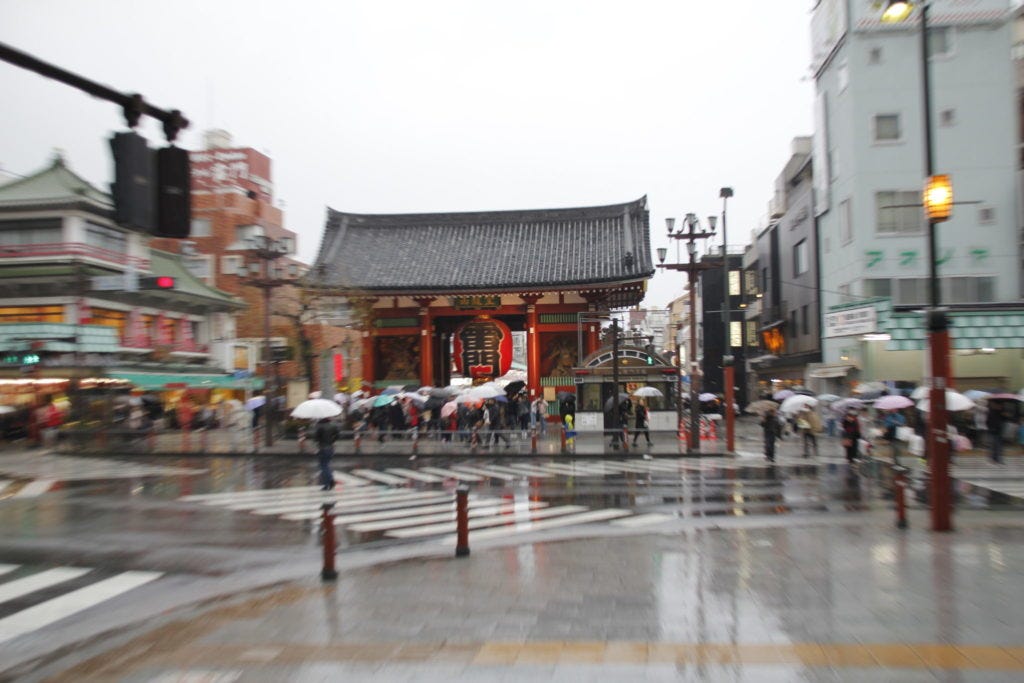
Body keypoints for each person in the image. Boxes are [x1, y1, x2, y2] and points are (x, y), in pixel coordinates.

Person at [311, 418, 339, 490]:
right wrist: (332, 441)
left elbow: (316, 438)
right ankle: (330, 481)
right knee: (326, 465)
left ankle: (328, 483)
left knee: (323, 466)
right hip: (330, 448)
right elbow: (338, 436)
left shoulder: (320, 427)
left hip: (322, 448)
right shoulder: (333, 426)